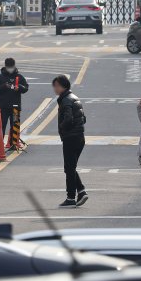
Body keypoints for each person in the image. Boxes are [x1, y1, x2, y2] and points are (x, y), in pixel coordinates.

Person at [53, 75, 88, 208]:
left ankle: (71, 197)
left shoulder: (66, 100)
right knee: (70, 167)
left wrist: (62, 127)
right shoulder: (75, 98)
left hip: (71, 138)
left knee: (69, 168)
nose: (55, 88)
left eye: (56, 85)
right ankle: (81, 192)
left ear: (63, 86)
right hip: (79, 137)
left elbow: (68, 119)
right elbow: (83, 119)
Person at [0, 58, 29, 136]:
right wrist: (4, 86)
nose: (10, 69)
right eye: (9, 67)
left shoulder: (19, 77)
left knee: (15, 126)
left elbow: (26, 88)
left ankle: (14, 144)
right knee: (2, 126)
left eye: (11, 67)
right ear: (5, 66)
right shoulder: (0, 77)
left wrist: (19, 87)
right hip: (3, 107)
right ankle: (0, 143)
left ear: (14, 66)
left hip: (15, 106)